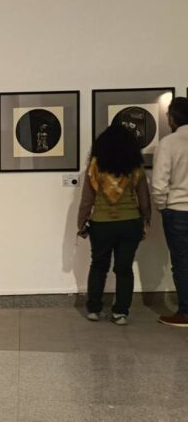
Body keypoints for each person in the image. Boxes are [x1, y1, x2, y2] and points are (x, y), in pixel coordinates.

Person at [77, 124, 151, 325]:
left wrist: (81, 223)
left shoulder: (94, 167)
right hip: (130, 223)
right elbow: (144, 199)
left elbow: (87, 200)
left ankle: (94, 310)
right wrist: (146, 219)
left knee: (98, 266)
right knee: (124, 268)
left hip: (101, 224)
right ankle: (120, 313)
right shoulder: (135, 167)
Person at [152, 97, 188, 327]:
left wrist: (162, 207)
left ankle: (185, 312)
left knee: (182, 262)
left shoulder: (169, 142)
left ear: (173, 117)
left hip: (178, 210)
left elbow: (159, 184)